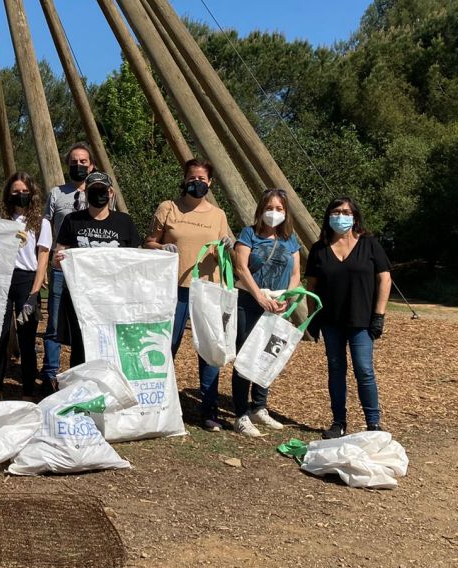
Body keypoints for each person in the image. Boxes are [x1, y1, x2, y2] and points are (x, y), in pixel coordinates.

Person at [144, 159, 232, 431]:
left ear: (210, 183)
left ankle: (209, 411)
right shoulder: (168, 208)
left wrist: (229, 245)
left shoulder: (218, 215)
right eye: (192, 178)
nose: (197, 183)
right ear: (184, 179)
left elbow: (225, 247)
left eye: (202, 179)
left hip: (207, 289)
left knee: (209, 350)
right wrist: (159, 248)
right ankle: (159, 403)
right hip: (174, 288)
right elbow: (148, 241)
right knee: (166, 346)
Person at [305, 197, 391, 439]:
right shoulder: (319, 249)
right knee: (335, 369)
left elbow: (384, 278)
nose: (341, 216)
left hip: (362, 320)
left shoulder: (369, 245)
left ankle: (373, 423)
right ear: (328, 216)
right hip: (331, 320)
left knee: (364, 370)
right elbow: (311, 285)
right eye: (336, 211)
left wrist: (379, 315)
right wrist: (313, 316)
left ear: (355, 217)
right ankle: (338, 422)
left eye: (346, 212)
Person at [230, 188, 301, 438]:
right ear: (261, 210)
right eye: (270, 208)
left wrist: (286, 299)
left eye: (279, 208)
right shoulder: (249, 233)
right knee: (245, 355)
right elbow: (241, 267)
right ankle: (240, 413)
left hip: (277, 304)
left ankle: (259, 406)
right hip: (250, 300)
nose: (274, 213)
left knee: (267, 354)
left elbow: (295, 275)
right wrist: (259, 296)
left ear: (286, 212)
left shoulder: (289, 239)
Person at [41, 143, 113, 387]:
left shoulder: (101, 191)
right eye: (74, 162)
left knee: (89, 323)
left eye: (83, 162)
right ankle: (50, 374)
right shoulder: (56, 194)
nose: (78, 165)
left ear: (91, 165)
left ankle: (85, 371)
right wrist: (47, 263)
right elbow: (46, 230)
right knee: (54, 321)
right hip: (63, 267)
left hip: (93, 273)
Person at [53, 172, 141, 367]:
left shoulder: (124, 222)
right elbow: (56, 259)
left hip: (113, 299)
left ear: (111, 193)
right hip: (81, 298)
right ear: (86, 193)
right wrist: (60, 259)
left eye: (103, 190)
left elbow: (137, 260)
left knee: (111, 345)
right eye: (94, 191)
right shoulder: (72, 220)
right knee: (81, 347)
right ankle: (81, 389)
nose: (99, 194)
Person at [0, 172, 51, 402]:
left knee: (26, 341)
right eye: (16, 192)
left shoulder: (41, 223)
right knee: (0, 338)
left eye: (25, 192)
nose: (20, 195)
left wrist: (34, 295)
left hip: (27, 281)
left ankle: (27, 393)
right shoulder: (1, 220)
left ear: (32, 194)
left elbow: (43, 259)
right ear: (8, 194)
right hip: (3, 280)